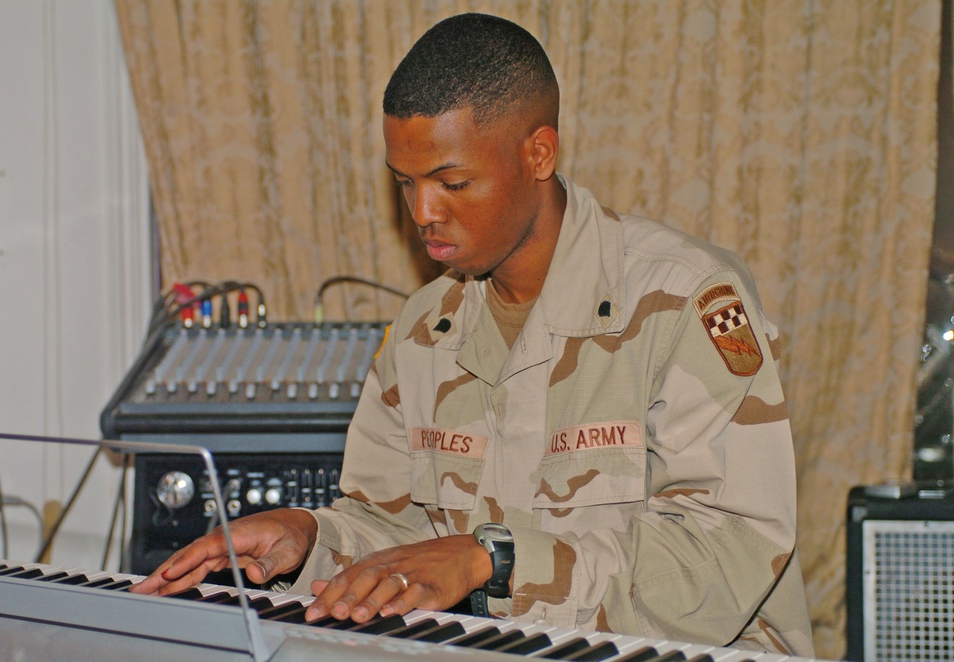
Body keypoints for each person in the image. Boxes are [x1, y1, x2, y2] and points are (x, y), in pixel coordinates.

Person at [132, 12, 814, 655]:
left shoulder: (684, 300)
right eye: (405, 184)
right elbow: (395, 532)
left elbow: (729, 550)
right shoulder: (424, 331)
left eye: (452, 182)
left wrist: (495, 560)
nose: (425, 212)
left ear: (538, 153)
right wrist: (309, 536)